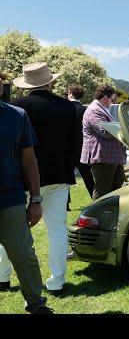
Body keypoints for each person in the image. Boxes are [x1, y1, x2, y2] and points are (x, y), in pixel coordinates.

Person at [8, 62, 79, 294]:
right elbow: (74, 145)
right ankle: (57, 280)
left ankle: (2, 276)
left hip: (23, 177)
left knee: (11, 228)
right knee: (57, 229)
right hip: (59, 175)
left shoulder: (16, 107)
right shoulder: (68, 108)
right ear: (50, 82)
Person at [0, 73, 51, 313]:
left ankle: (36, 304)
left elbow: (29, 161)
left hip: (10, 200)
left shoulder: (17, 116)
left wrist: (36, 199)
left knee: (24, 256)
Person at [81, 84, 127, 200]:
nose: (112, 102)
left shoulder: (101, 109)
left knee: (116, 189)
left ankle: (110, 215)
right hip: (102, 156)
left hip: (110, 157)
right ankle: (94, 217)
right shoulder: (94, 110)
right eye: (112, 99)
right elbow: (104, 130)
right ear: (106, 97)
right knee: (102, 191)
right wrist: (125, 130)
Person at [67, 85, 95, 197]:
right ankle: (95, 197)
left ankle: (66, 202)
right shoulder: (86, 110)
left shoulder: (65, 109)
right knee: (88, 176)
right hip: (82, 147)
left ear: (70, 93)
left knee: (66, 178)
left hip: (68, 148)